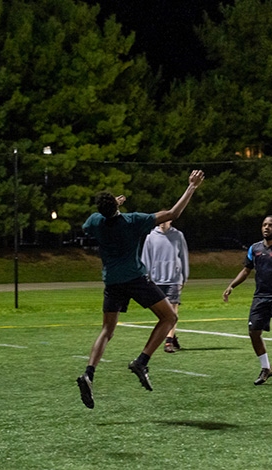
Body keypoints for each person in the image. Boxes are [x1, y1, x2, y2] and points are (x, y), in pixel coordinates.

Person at [76, 170, 205, 409]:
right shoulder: (132, 220)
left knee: (107, 330)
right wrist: (191, 187)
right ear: (116, 205)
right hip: (135, 278)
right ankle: (142, 361)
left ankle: (89, 374)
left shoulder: (95, 221)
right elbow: (173, 213)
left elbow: (91, 223)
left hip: (111, 281)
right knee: (169, 317)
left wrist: (111, 207)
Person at [223, 216, 272, 387]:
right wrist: (232, 286)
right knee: (253, 332)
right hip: (260, 296)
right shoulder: (254, 248)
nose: (266, 227)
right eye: (264, 225)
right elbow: (246, 271)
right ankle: (266, 368)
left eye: (271, 225)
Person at [141, 219, 189, 353]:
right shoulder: (151, 237)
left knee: (173, 309)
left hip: (174, 279)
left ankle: (168, 341)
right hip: (156, 280)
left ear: (171, 220)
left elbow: (183, 256)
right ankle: (171, 335)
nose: (162, 223)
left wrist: (184, 276)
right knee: (163, 313)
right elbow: (145, 258)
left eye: (165, 220)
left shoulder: (178, 235)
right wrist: (146, 276)